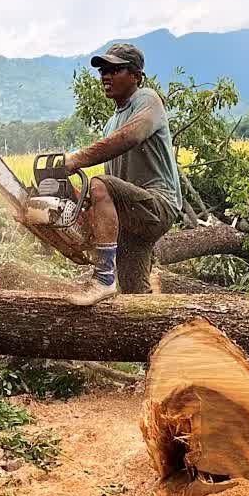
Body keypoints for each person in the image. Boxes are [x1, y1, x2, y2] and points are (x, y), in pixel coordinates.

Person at [62, 43, 181, 305]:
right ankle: (149, 337)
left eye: (115, 70)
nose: (106, 76)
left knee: (99, 184)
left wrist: (76, 160)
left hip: (156, 205)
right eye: (103, 70)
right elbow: (110, 183)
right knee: (134, 299)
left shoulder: (147, 100)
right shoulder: (110, 122)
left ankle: (103, 277)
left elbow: (130, 137)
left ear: (136, 76)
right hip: (131, 218)